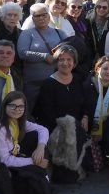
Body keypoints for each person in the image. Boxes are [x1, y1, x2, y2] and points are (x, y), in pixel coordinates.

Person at [33, 45, 92, 183]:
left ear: (74, 62)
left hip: (77, 128)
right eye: (61, 59)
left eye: (69, 59)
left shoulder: (78, 79)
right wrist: (67, 127)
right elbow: (45, 114)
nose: (65, 63)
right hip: (56, 128)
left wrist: (85, 116)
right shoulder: (49, 84)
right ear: (56, 62)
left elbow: (85, 103)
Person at [0, 91, 51, 194]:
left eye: (21, 106)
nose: (17, 109)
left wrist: (40, 147)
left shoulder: (18, 122)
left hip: (17, 156)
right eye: (13, 105)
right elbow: (5, 160)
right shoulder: (1, 128)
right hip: (4, 167)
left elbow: (43, 129)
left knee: (36, 135)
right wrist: (34, 161)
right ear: (5, 106)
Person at [16, 3, 66, 109]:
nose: (41, 18)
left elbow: (69, 50)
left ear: (49, 16)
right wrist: (44, 56)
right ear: (32, 18)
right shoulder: (27, 34)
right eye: (37, 16)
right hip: (33, 84)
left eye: (44, 15)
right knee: (29, 113)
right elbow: (22, 53)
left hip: (55, 83)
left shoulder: (59, 33)